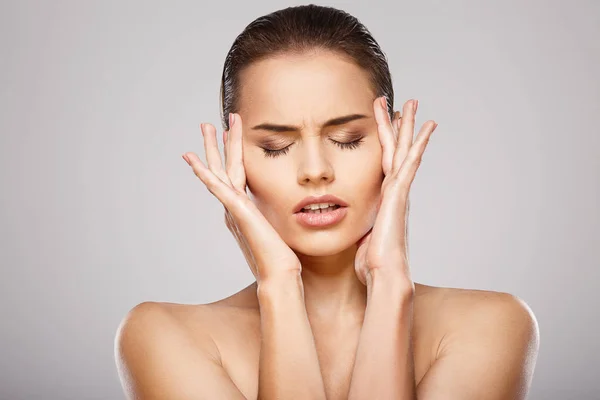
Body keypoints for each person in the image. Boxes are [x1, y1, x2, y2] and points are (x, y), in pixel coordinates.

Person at [114, 4, 539, 399]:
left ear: (394, 139)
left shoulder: (490, 325)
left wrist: (389, 287)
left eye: (347, 139)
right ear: (235, 158)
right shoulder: (164, 335)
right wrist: (279, 288)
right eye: (277, 146)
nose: (315, 170)